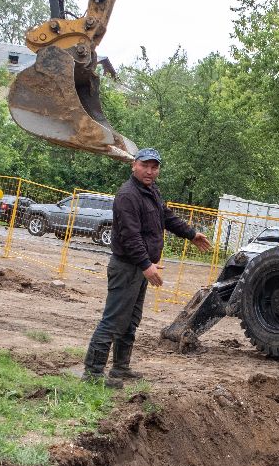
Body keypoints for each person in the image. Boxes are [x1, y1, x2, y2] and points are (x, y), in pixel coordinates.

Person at [83, 147, 211, 386]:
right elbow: (130, 236)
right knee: (113, 320)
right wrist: (145, 264)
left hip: (140, 267)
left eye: (154, 167)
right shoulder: (128, 195)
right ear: (134, 165)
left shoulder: (150, 190)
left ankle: (120, 368)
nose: (150, 171)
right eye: (145, 166)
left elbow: (167, 217)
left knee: (130, 320)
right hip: (126, 267)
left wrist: (191, 234)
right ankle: (92, 374)